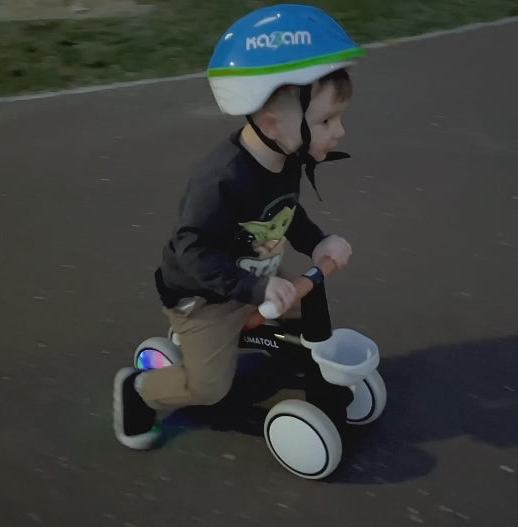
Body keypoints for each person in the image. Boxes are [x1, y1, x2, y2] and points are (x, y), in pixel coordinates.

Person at [114, 4, 365, 449]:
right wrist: (254, 291)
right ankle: (139, 391)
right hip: (204, 297)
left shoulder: (284, 156)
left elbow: (284, 213)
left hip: (253, 280)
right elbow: (190, 251)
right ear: (272, 123)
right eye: (327, 120)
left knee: (307, 303)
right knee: (209, 389)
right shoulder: (223, 178)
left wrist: (318, 241)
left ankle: (288, 354)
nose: (339, 131)